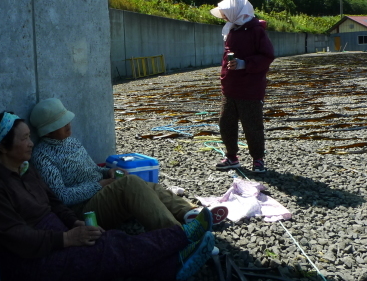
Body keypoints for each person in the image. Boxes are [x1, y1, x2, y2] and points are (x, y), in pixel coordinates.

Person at [0, 112, 215, 281]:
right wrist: (68, 237)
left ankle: (185, 220)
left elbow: (54, 202)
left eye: (30, 137)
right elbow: (17, 235)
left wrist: (76, 221)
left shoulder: (27, 166)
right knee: (111, 247)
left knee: (121, 223)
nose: (30, 143)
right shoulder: (0, 179)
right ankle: (181, 239)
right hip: (41, 252)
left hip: (63, 227)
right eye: (24, 139)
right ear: (2, 147)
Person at [29, 98, 228, 230]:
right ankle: (176, 234)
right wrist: (99, 186)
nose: (68, 125)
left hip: (100, 192)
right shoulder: (42, 156)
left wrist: (108, 172)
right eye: (61, 123)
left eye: (66, 120)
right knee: (130, 184)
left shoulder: (71, 141)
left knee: (142, 184)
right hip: (84, 209)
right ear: (47, 131)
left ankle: (189, 214)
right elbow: (61, 197)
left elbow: (92, 170)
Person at [209, 0, 275, 173]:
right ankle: (232, 157)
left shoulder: (256, 30)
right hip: (230, 87)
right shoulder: (231, 28)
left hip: (250, 88)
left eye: (225, 13)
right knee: (226, 123)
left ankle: (258, 159)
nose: (223, 17)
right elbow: (226, 59)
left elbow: (267, 56)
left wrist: (244, 63)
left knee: (252, 125)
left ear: (237, 11)